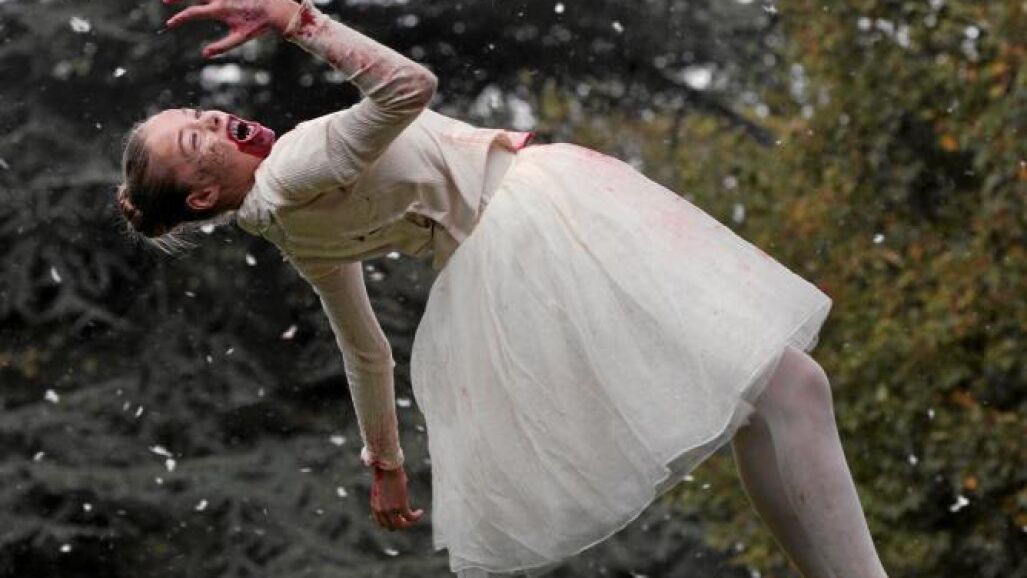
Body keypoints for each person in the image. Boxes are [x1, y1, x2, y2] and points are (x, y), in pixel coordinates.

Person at [116, 0, 890, 576]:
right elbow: (407, 86)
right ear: (202, 197)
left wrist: (384, 460)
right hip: (540, 227)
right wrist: (298, 21)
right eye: (195, 138)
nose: (212, 120)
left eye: (198, 113)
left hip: (513, 267)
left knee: (762, 403)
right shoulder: (296, 164)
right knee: (790, 389)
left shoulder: (282, 226)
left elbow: (365, 350)